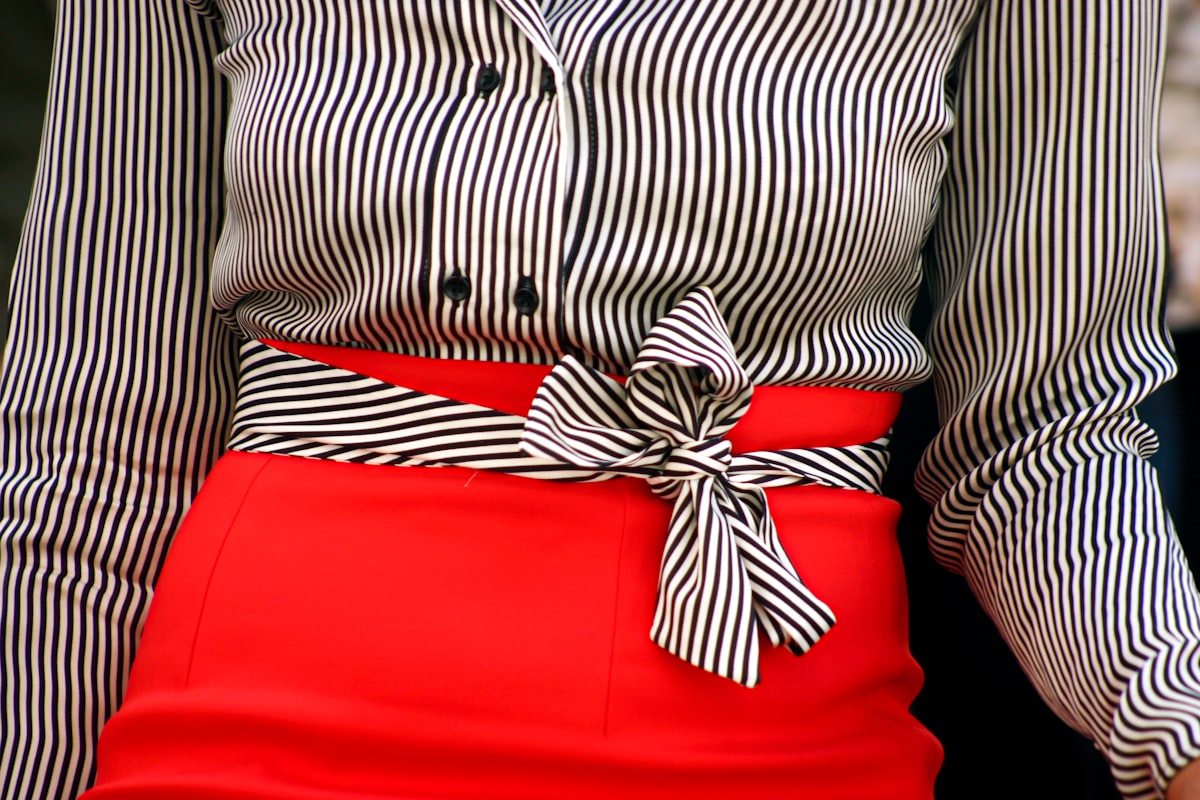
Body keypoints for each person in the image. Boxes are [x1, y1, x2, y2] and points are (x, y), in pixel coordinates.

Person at [3, 1, 1200, 798]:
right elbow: (96, 437)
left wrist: (1174, 712)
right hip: (259, 718)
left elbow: (1042, 426)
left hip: (773, 732)